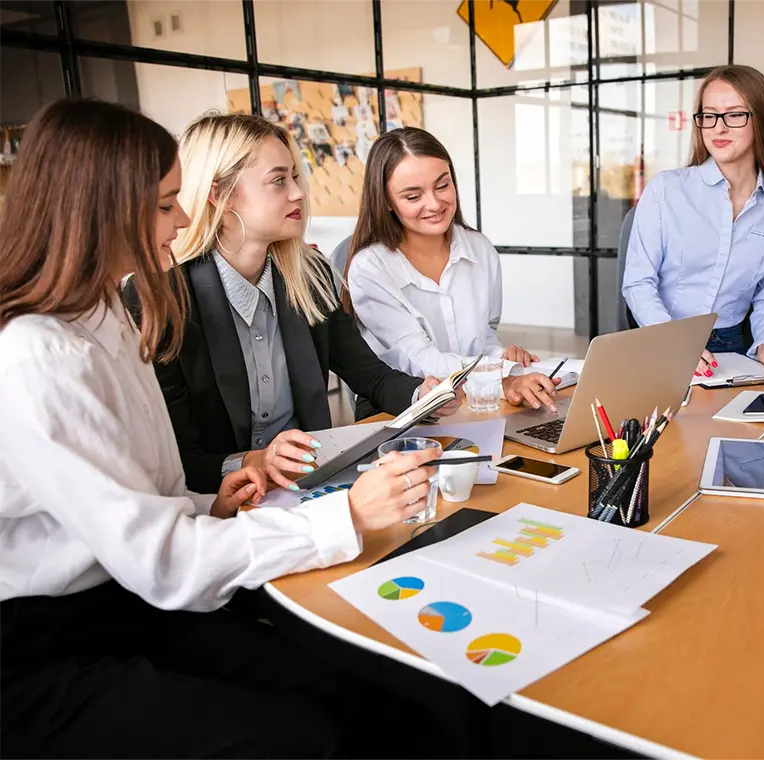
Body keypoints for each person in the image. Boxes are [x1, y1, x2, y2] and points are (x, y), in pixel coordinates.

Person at [0, 99, 444, 759]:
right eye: (162, 205)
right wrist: (345, 514)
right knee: (308, 737)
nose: (181, 221)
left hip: (127, 601)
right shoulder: (41, 353)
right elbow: (162, 560)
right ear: (96, 209)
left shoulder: (103, 316)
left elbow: (135, 494)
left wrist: (213, 499)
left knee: (356, 691)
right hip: (45, 647)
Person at [125, 113, 458, 494]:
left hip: (309, 487)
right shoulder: (159, 296)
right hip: (216, 506)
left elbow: (373, 376)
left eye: (295, 177)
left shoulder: (310, 275)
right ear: (220, 194)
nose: (298, 192)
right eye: (279, 180)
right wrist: (252, 461)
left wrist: (424, 395)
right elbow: (177, 456)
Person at [344, 126, 561, 411]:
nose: (434, 203)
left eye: (442, 185)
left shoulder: (479, 249)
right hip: (404, 407)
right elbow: (419, 358)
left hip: (476, 400)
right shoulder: (370, 268)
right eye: (413, 196)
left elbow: (482, 336)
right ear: (385, 201)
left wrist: (505, 358)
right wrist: (502, 378)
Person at [622, 65, 764, 379]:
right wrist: (674, 343)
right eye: (709, 115)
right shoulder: (666, 189)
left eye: (734, 114)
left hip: (732, 345)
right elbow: (638, 283)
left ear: (761, 119)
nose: (719, 128)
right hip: (662, 336)